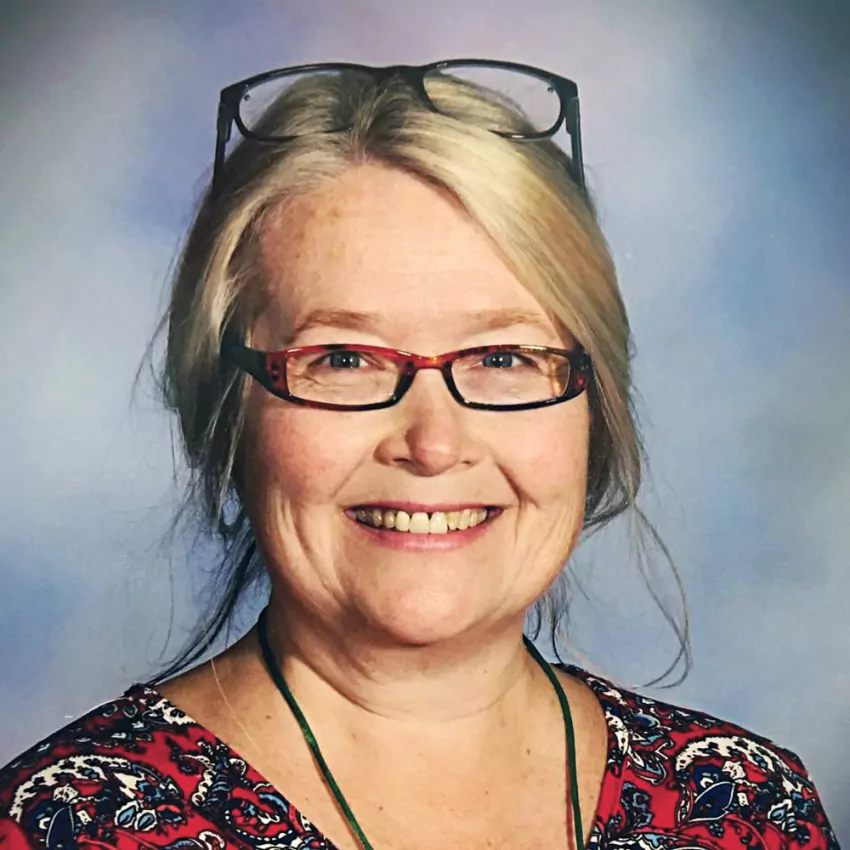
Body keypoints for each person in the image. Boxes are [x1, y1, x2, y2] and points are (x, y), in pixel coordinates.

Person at [0, 60, 838, 850]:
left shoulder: (748, 811)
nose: (433, 444)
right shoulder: (65, 826)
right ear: (227, 412)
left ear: (595, 406)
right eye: (343, 358)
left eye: (503, 357)